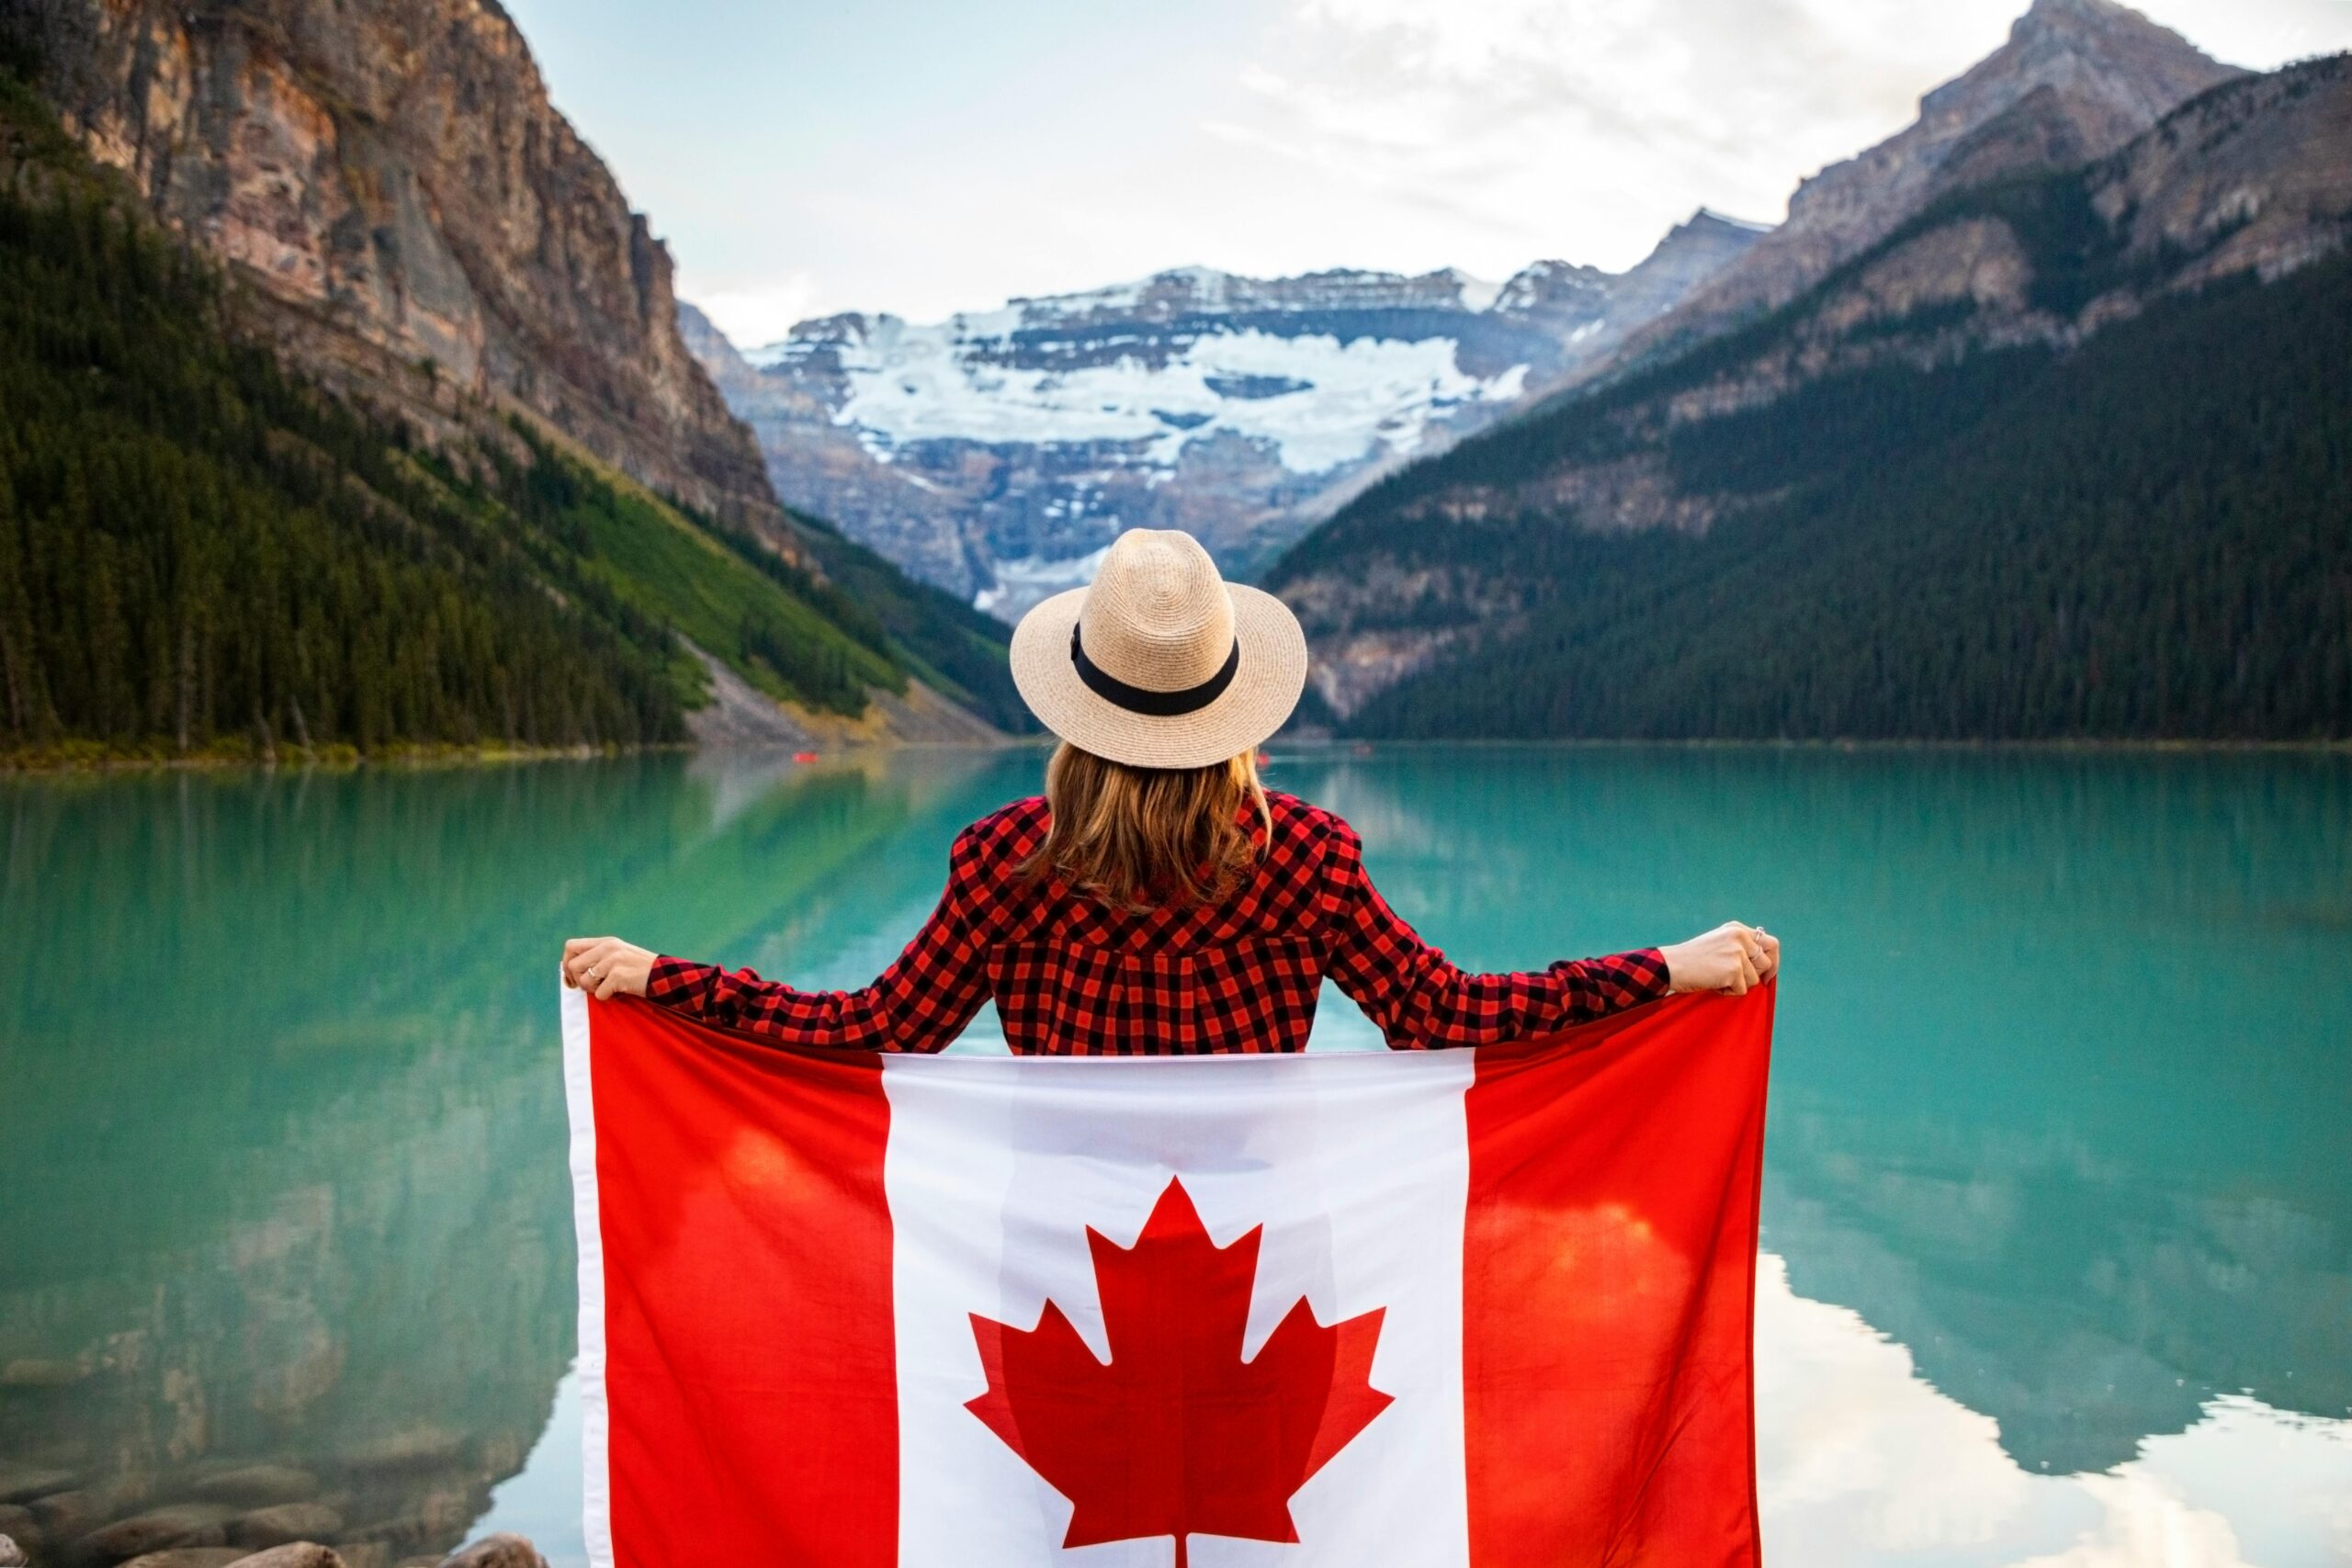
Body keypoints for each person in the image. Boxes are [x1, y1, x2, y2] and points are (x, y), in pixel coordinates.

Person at [562, 528, 1778, 1052]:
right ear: (1233, 708)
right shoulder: (1308, 856)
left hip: (1058, 1269)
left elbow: (869, 1033)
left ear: (1076, 705)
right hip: (1264, 1261)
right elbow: (1445, 1013)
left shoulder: (1003, 863)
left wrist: (668, 981)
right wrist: (1669, 969)